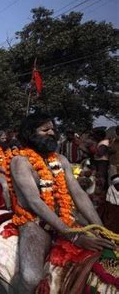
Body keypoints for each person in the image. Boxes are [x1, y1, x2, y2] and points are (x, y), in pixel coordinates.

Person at [8, 112, 115, 292]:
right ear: (30, 133)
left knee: (103, 255)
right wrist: (73, 236)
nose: (52, 133)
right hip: (34, 222)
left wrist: (99, 228)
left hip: (65, 217)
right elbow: (35, 202)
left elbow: (78, 194)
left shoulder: (60, 159)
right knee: (31, 278)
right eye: (45, 129)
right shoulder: (20, 161)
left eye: (53, 129)